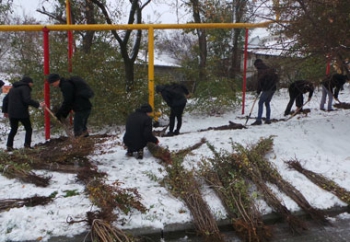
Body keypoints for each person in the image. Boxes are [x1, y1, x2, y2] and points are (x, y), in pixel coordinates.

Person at [2, 77, 44, 151]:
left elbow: (5, 99)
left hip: (12, 113)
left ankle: (9, 146)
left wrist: (5, 111)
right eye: (32, 83)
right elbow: (27, 100)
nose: (32, 84)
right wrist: (38, 104)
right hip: (21, 113)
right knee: (28, 129)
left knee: (13, 129)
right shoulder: (25, 88)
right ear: (28, 82)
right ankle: (27, 145)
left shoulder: (13, 88)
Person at [251, 59, 278, 125]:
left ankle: (259, 120)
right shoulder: (269, 69)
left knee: (260, 103)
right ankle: (268, 119)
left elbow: (260, 82)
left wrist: (258, 91)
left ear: (257, 65)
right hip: (273, 89)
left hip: (266, 89)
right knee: (267, 103)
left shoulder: (261, 71)